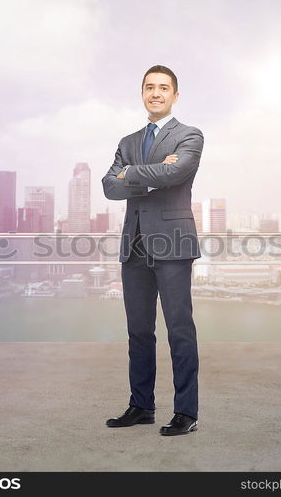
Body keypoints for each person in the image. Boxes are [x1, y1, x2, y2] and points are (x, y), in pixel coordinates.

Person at [101, 65, 204, 436]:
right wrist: (149, 173)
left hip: (173, 245)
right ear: (142, 93)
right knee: (139, 331)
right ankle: (141, 405)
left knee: (179, 330)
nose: (155, 93)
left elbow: (177, 174)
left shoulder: (189, 135)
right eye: (149, 87)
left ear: (175, 95)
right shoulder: (127, 140)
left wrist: (131, 174)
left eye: (163, 87)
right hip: (135, 246)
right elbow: (109, 187)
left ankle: (186, 412)